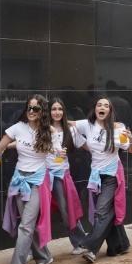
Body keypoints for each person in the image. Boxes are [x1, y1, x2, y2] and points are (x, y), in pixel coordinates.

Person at [0, 95, 55, 264]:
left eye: (36, 109)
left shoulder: (49, 131)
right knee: (27, 223)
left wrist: (57, 152)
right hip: (18, 180)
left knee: (26, 225)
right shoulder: (17, 128)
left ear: (43, 112)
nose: (31, 112)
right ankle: (44, 255)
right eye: (29, 108)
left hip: (37, 182)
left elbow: (57, 152)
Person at [74, 97, 132, 263]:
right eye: (99, 105)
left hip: (111, 175)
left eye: (106, 106)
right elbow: (68, 124)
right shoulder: (87, 125)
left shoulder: (118, 128)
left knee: (101, 211)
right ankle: (120, 244)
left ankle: (91, 247)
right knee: (108, 212)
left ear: (110, 111)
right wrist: (53, 120)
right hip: (95, 176)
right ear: (95, 109)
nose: (102, 107)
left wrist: (131, 139)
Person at [49, 98, 88, 255]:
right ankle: (34, 248)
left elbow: (85, 145)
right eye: (53, 109)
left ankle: (80, 242)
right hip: (41, 175)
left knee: (67, 210)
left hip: (60, 175)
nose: (57, 112)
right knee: (36, 213)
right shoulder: (42, 129)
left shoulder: (70, 130)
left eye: (60, 109)